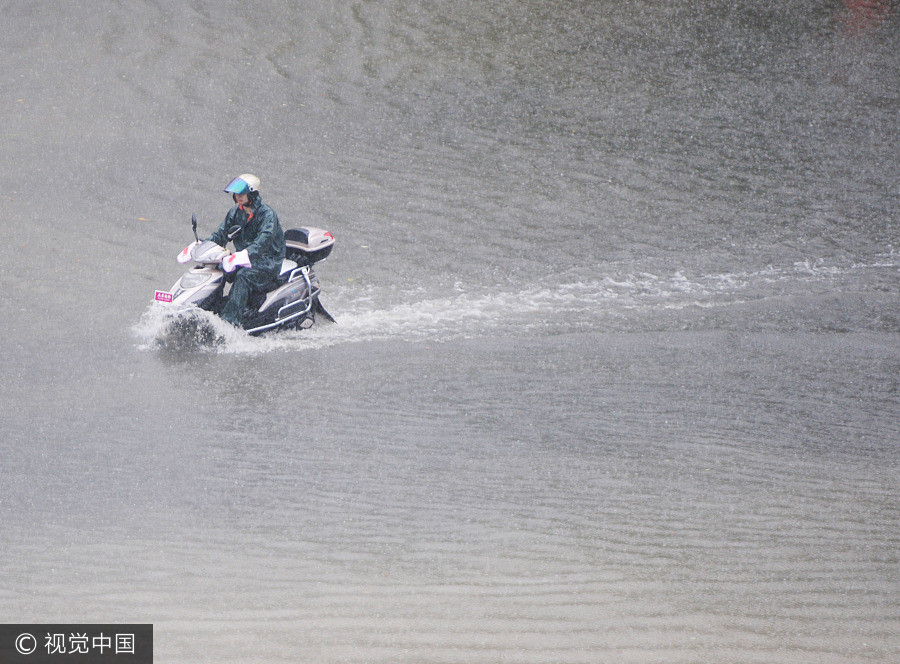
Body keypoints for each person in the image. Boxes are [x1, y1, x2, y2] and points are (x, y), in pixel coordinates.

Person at [208, 174, 286, 328]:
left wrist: (246, 253)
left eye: (242, 194)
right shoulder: (235, 212)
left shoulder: (267, 215)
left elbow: (264, 239)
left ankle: (229, 324)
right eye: (236, 194)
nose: (238, 197)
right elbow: (221, 234)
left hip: (267, 262)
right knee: (217, 268)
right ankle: (211, 309)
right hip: (244, 258)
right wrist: (202, 245)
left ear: (252, 194)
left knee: (243, 276)